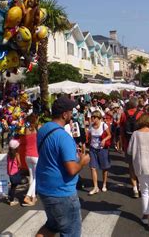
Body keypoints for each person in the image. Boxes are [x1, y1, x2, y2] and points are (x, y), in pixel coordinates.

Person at [36, 97, 90, 237]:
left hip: (45, 188)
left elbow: (52, 155)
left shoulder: (44, 129)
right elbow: (72, 169)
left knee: (52, 226)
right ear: (64, 114)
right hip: (62, 193)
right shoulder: (63, 136)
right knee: (71, 232)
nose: (72, 114)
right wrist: (83, 161)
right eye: (70, 112)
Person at [120, 97, 143, 198]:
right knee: (141, 166)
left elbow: (121, 130)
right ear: (137, 104)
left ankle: (135, 189)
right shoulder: (141, 114)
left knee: (131, 167)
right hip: (140, 144)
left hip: (128, 143)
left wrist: (121, 143)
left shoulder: (124, 114)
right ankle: (141, 186)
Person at [87, 110, 112, 195]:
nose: (92, 119)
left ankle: (104, 184)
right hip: (93, 149)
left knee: (104, 168)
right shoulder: (90, 126)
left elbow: (109, 135)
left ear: (98, 118)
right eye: (92, 117)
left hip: (102, 149)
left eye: (94, 117)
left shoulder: (103, 125)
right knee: (93, 167)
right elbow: (89, 135)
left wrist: (104, 140)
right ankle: (95, 187)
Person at [22, 114, 39, 206]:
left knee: (32, 177)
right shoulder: (37, 129)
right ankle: (28, 196)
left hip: (27, 156)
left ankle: (33, 198)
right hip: (35, 156)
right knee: (36, 177)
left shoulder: (26, 130)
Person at [7, 139, 23, 206]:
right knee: (14, 187)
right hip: (15, 172)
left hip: (10, 173)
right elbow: (19, 164)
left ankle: (10, 197)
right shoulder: (16, 154)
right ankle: (12, 201)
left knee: (12, 186)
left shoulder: (8, 154)